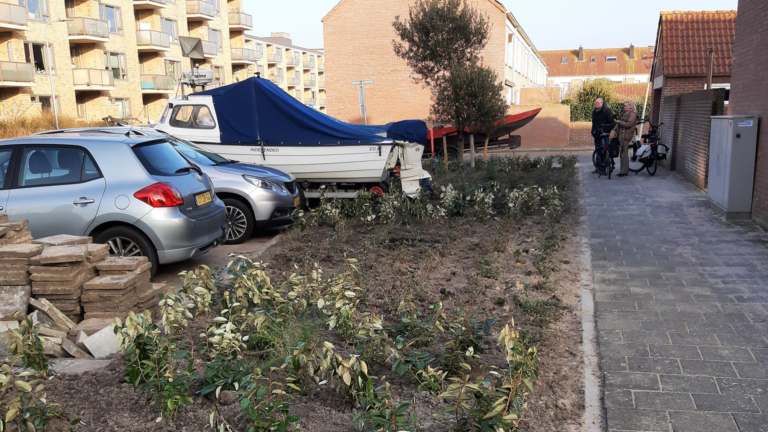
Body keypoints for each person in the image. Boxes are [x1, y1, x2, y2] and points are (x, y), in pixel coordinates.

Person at [613, 100, 638, 177]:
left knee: (624, 153)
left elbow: (629, 124)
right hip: (623, 135)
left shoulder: (632, 114)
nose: (625, 107)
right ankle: (624, 170)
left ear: (630, 106)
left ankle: (624, 171)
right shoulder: (627, 113)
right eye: (624, 106)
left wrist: (619, 122)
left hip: (626, 136)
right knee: (623, 153)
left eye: (626, 106)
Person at [591, 98, 613, 174]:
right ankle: (598, 168)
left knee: (605, 150)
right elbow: (594, 122)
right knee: (597, 150)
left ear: (602, 103)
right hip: (597, 134)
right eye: (595, 102)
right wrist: (593, 131)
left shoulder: (607, 111)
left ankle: (605, 168)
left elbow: (612, 123)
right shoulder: (594, 111)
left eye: (598, 103)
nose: (596, 104)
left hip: (604, 134)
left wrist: (607, 130)